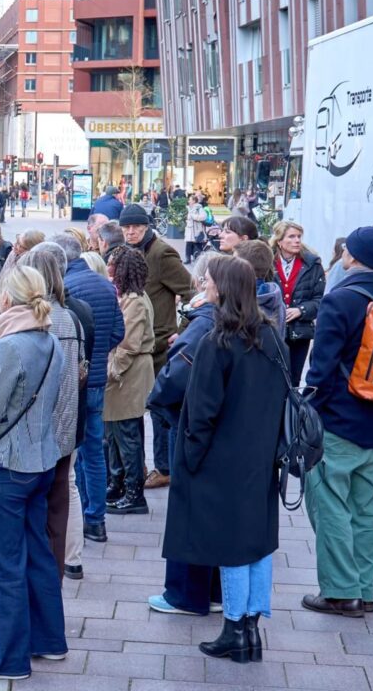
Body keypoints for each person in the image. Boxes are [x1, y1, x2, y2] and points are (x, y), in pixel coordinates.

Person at [163, 255, 288, 663]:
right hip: (261, 456)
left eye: (210, 281)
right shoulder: (271, 337)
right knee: (257, 542)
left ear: (222, 289)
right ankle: (251, 628)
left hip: (222, 459)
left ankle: (235, 629)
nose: (205, 285)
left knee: (232, 545)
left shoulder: (218, 341)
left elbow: (200, 413)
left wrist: (190, 461)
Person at [0, 265, 66, 679]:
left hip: (7, 465)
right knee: (37, 552)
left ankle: (6, 659)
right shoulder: (51, 340)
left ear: (9, 296)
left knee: (0, 561)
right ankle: (49, 639)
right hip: (41, 459)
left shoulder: (10, 346)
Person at [302, 226, 373, 617]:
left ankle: (341, 592)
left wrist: (309, 406)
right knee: (364, 511)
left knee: (330, 506)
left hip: (338, 420)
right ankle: (365, 590)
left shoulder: (339, 299)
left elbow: (321, 369)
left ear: (351, 256)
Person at [146, 252, 222, 617]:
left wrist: (159, 402)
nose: (200, 285)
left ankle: (185, 594)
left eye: (206, 281)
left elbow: (176, 377)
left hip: (194, 427)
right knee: (209, 512)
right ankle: (211, 591)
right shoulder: (248, 321)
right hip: (220, 434)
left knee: (188, 510)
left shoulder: (206, 322)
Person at [23, 244, 89, 581]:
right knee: (65, 495)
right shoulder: (77, 314)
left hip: (40, 432)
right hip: (69, 425)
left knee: (39, 507)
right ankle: (68, 562)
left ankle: (48, 572)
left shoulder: (38, 319)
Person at [54, 233, 123, 545]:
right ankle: (96, 520)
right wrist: (98, 357)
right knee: (94, 451)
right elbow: (118, 332)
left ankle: (77, 516)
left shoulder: (68, 289)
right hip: (97, 381)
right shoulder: (104, 285)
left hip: (74, 381)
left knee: (70, 452)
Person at [119, 204, 192, 491]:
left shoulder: (161, 253)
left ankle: (164, 468)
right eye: (126, 227)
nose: (131, 231)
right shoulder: (126, 252)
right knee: (137, 409)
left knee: (160, 410)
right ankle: (142, 465)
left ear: (147, 226)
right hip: (133, 342)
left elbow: (191, 292)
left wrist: (183, 333)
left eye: (136, 226)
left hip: (159, 344)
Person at [103, 246, 155, 515]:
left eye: (112, 264)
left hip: (130, 373)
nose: (108, 268)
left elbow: (129, 344)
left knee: (127, 434)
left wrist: (113, 370)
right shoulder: (129, 296)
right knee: (115, 431)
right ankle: (118, 483)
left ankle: (134, 492)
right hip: (125, 371)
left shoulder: (134, 300)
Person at [270, 220, 325, 382]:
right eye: (291, 237)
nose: (297, 241)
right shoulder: (268, 263)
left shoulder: (312, 264)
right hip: (272, 330)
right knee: (272, 378)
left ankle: (291, 408)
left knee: (293, 378)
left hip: (300, 333)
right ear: (279, 241)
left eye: (299, 236)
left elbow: (320, 300)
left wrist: (301, 310)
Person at [232, 240, 286, 338]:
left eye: (233, 263)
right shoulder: (275, 298)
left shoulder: (243, 301)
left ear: (245, 268)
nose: (230, 267)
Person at [184, 195, 207, 264]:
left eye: (190, 200)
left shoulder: (199, 208)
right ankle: (188, 259)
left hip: (196, 230)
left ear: (194, 201)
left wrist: (194, 217)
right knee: (188, 244)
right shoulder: (189, 208)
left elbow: (204, 217)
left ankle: (198, 258)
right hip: (189, 229)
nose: (189, 201)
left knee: (197, 244)